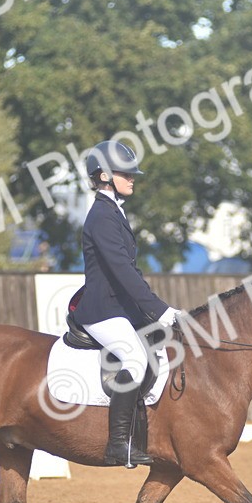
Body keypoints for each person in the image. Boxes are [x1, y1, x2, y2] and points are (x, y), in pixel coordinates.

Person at [72, 140, 181, 467]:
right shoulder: (103, 216)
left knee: (163, 349)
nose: (132, 178)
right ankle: (118, 444)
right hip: (102, 309)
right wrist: (160, 310)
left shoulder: (113, 211)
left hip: (120, 308)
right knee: (134, 359)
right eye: (125, 173)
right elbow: (121, 271)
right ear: (104, 175)